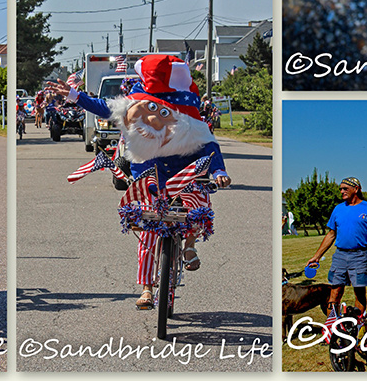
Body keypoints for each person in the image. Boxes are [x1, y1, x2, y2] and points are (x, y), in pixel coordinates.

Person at [46, 54, 231, 309]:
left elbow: (210, 148)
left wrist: (219, 172)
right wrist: (75, 96)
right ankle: (147, 288)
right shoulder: (138, 102)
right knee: (148, 233)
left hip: (184, 175)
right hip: (150, 178)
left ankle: (189, 245)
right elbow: (105, 107)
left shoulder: (191, 120)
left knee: (197, 201)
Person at [308, 177, 367, 313]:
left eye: (345, 188)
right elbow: (331, 234)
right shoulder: (338, 209)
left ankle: (357, 326)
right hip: (340, 255)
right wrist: (317, 256)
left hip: (360, 255)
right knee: (335, 292)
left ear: (356, 189)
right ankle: (332, 326)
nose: (342, 191)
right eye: (341, 189)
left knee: (360, 293)